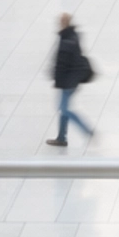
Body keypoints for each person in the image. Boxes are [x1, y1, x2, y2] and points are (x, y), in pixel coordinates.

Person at [46, 13, 95, 145]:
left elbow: (62, 64)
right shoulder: (72, 36)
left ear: (63, 23)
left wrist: (58, 81)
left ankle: (87, 130)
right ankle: (62, 138)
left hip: (68, 81)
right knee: (63, 110)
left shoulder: (66, 40)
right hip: (72, 80)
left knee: (64, 109)